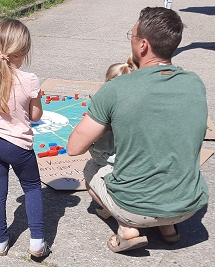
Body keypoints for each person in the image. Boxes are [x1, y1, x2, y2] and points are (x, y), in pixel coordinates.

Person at [67, 7, 208, 253]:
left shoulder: (116, 89)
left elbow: (74, 147)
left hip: (136, 208)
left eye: (131, 35)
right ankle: (168, 228)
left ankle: (126, 227)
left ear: (143, 45)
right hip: (189, 205)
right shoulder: (195, 82)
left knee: (91, 170)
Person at [0, 18, 50, 257]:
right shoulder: (30, 80)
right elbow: (35, 115)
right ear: (23, 52)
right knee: (33, 187)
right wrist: (36, 99)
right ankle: (36, 242)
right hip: (19, 146)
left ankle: (0, 241)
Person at [88, 57, 137, 219]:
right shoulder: (141, 103)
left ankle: (113, 212)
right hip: (140, 160)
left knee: (90, 169)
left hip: (112, 157)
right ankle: (169, 230)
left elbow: (78, 145)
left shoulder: (107, 104)